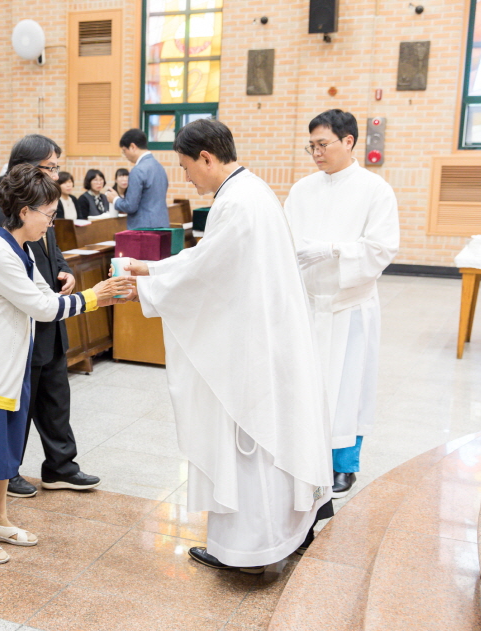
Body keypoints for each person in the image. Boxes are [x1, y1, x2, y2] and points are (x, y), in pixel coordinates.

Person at [123, 119, 333, 572]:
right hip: (269, 333)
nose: (186, 178)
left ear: (206, 157)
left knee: (250, 438)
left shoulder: (236, 201)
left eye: (186, 167)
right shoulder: (251, 191)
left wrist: (146, 289)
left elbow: (208, 273)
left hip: (251, 344)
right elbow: (209, 259)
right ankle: (285, 534)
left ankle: (247, 549)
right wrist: (153, 270)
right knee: (273, 435)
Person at [0, 164, 133, 564]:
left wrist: (86, 294)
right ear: (24, 211)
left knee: (4, 451)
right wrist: (94, 297)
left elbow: (44, 293)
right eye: (48, 215)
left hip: (12, 365)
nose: (51, 223)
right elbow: (42, 307)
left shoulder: (19, 248)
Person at [0, 135, 100, 498]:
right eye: (50, 167)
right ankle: (7, 471)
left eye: (57, 167)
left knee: (56, 397)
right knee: (21, 402)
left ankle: (61, 467)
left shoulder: (43, 203)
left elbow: (51, 249)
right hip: (23, 321)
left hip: (50, 314)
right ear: (25, 167)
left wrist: (64, 271)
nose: (56, 174)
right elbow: (2, 272)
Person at [285, 109, 400, 499]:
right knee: (308, 385)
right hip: (309, 305)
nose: (316, 153)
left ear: (348, 141)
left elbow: (382, 248)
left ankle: (344, 465)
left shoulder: (375, 190)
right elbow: (286, 239)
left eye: (323, 144)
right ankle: (307, 455)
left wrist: (334, 250)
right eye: (311, 146)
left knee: (348, 388)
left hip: (349, 306)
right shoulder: (302, 189)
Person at [105, 128, 170, 229]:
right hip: (162, 225)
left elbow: (130, 206)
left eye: (124, 151)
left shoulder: (138, 170)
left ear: (132, 147)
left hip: (144, 229)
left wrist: (115, 200)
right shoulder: (159, 166)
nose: (125, 155)